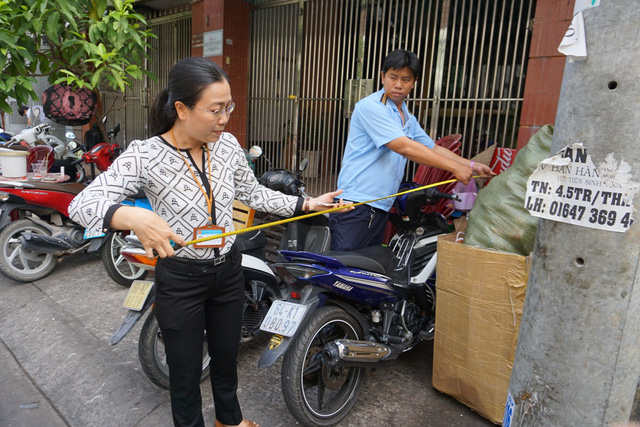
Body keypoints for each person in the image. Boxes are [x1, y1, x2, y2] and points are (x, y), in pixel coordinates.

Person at [68, 57, 350, 427]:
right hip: (181, 279)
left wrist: (307, 203)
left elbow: (254, 194)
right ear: (181, 109)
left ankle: (228, 422)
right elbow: (82, 203)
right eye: (215, 110)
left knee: (225, 359)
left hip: (228, 272)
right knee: (184, 377)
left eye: (228, 107)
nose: (224, 118)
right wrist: (131, 216)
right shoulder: (146, 154)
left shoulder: (228, 146)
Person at [328, 49, 494, 251]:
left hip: (379, 206)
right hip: (356, 204)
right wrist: (454, 168)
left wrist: (471, 165)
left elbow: (432, 147)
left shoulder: (405, 114)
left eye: (405, 79)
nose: (398, 85)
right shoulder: (370, 107)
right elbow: (404, 147)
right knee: (343, 271)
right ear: (382, 77)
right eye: (393, 77)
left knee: (365, 269)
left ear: (414, 82)